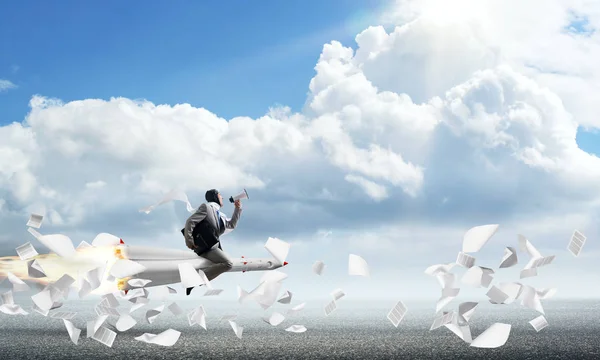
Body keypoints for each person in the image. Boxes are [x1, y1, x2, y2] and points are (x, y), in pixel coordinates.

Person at [182, 189, 242, 295]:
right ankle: (194, 280)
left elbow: (231, 224)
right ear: (215, 197)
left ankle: (196, 280)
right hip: (206, 247)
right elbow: (190, 222)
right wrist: (189, 241)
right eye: (220, 195)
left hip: (214, 246)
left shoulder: (221, 215)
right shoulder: (207, 207)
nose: (222, 197)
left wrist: (237, 209)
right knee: (228, 263)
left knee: (225, 264)